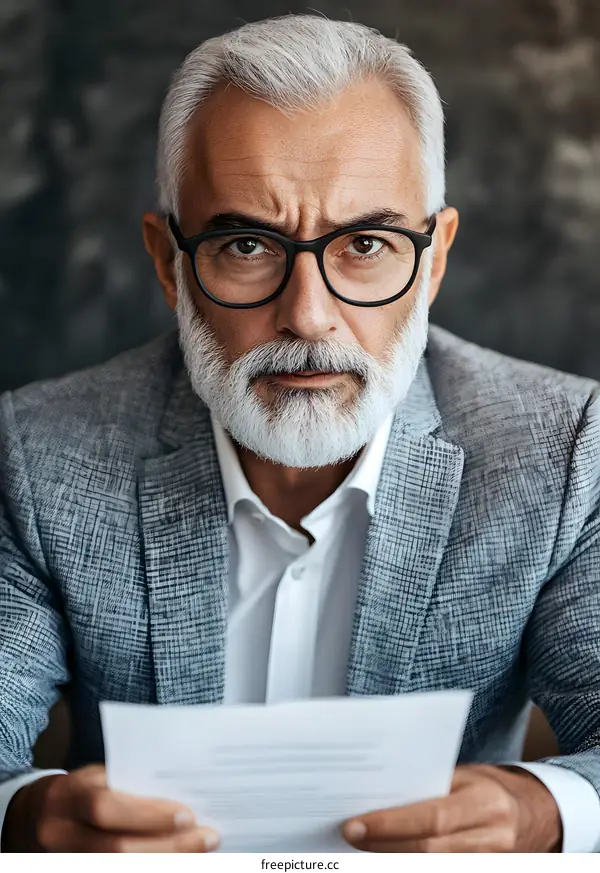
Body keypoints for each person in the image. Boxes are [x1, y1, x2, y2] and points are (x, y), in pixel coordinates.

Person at [1, 13, 599, 854]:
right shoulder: (38, 451)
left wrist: (541, 809)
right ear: (170, 264)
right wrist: (27, 817)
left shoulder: (565, 449)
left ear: (432, 262)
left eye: (365, 243)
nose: (308, 316)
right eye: (246, 243)